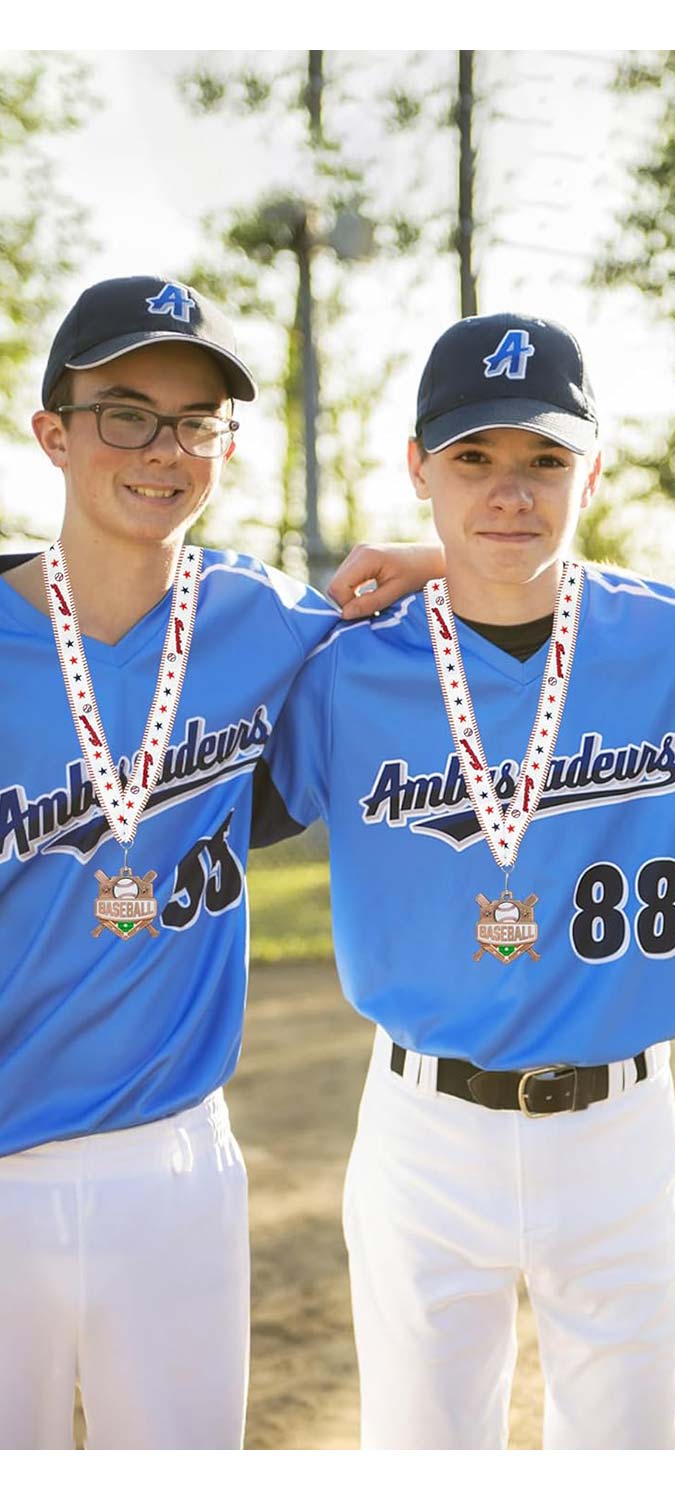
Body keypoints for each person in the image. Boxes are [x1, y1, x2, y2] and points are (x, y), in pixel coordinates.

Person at [255, 311, 675, 1449]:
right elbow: (184, 801)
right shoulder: (346, 670)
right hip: (422, 1130)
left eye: (544, 461)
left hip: (620, 1129)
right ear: (418, 467)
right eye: (473, 459)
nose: (509, 492)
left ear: (594, 470)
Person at [0, 274, 362, 1449]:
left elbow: (444, 634)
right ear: (53, 433)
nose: (164, 449)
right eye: (126, 413)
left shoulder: (266, 617)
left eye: (196, 421)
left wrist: (423, 555)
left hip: (175, 1164)